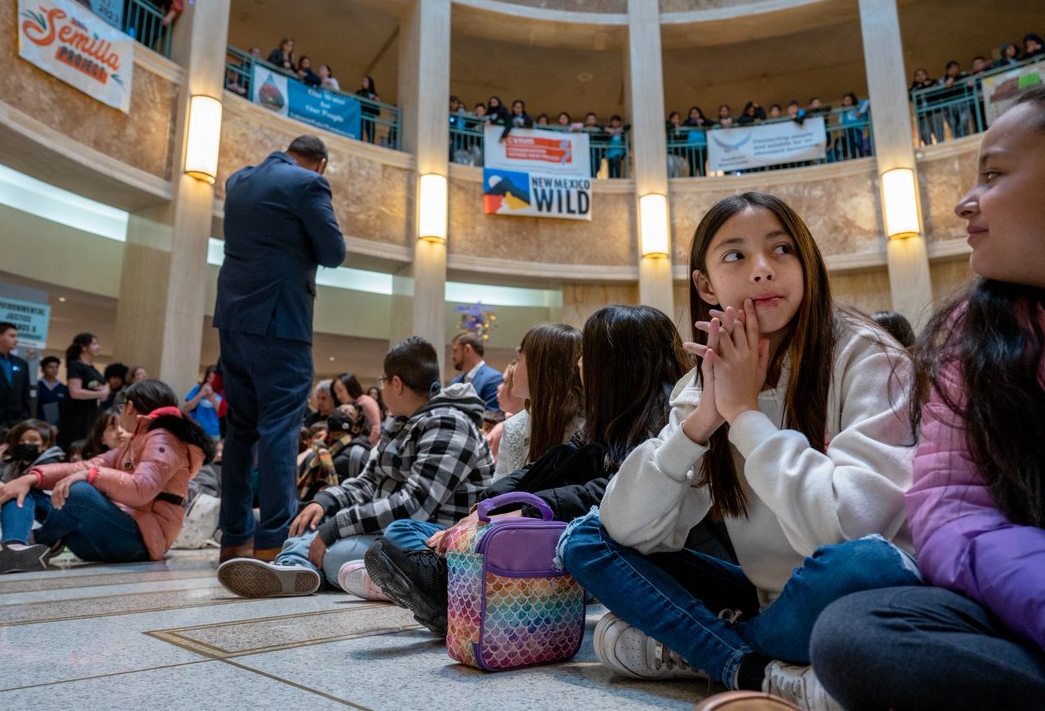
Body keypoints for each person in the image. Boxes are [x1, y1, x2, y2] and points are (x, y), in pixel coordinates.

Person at [561, 192, 918, 710]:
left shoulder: (868, 356)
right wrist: (704, 421)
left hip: (856, 597)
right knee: (587, 538)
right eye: (735, 256)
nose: (762, 270)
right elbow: (629, 529)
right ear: (705, 284)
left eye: (782, 250)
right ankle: (759, 669)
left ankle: (706, 648)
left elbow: (851, 528)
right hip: (767, 601)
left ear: (807, 263)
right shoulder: (706, 381)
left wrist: (746, 415)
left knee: (862, 564)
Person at [810, 74, 1045, 710]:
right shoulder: (981, 331)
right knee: (860, 629)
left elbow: (856, 510)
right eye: (733, 259)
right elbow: (949, 507)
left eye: (993, 175)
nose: (967, 202)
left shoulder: (864, 355)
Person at [358, 304, 700, 628]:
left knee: (573, 543)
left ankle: (456, 590)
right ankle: (455, 584)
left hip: (613, 555)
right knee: (410, 531)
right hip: (537, 536)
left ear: (615, 366)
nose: (579, 363)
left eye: (589, 355)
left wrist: (517, 514)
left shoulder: (666, 422)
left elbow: (604, 497)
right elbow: (541, 470)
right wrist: (487, 510)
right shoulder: (603, 423)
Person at [215, 336, 494, 597]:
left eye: (383, 381)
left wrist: (337, 526)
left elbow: (414, 506)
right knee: (305, 531)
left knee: (333, 550)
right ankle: (296, 568)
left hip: (430, 540)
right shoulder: (400, 422)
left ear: (396, 384)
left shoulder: (450, 423)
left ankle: (302, 567)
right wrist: (325, 502)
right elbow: (368, 481)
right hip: (391, 529)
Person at [214, 134, 345, 564]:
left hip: (233, 320)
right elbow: (333, 251)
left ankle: (234, 537)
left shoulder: (239, 181)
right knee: (280, 430)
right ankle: (274, 542)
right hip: (281, 322)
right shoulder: (308, 185)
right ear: (320, 164)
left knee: (240, 431)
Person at [0, 380, 213, 575]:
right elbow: (87, 464)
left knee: (79, 491)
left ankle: (42, 539)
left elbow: (141, 490)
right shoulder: (136, 440)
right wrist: (33, 477)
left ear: (130, 407)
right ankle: (15, 550)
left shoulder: (163, 438)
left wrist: (90, 476)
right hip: (109, 534)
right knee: (22, 488)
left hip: (140, 542)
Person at [493, 322, 584, 480]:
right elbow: (497, 494)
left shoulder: (587, 427)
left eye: (518, 358)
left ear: (541, 368)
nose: (513, 368)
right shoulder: (514, 427)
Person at [58, 333, 108, 448]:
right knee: (75, 443)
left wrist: (104, 390)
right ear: (84, 347)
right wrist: (100, 393)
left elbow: (104, 388)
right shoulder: (75, 365)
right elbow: (75, 392)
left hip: (90, 411)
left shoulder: (91, 368)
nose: (98, 347)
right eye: (94, 344)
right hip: (76, 413)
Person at [447, 333, 503, 412]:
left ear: (467, 349)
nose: (452, 356)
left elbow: (491, 419)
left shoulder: (494, 379)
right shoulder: (454, 382)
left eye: (455, 350)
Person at [331, 372, 381, 441]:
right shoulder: (348, 405)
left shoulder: (366, 402)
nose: (338, 396)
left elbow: (375, 429)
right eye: (336, 393)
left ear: (350, 386)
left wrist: (362, 445)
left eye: (340, 391)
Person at [183, 365, 222, 442]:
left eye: (214, 378)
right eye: (209, 377)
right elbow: (186, 408)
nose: (211, 381)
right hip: (199, 431)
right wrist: (200, 394)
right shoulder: (198, 389)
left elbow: (223, 413)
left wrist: (213, 399)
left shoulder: (222, 392)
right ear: (206, 378)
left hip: (216, 433)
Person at [36, 355, 66, 428]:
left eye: (56, 367)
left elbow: (64, 409)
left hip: (58, 427)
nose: (54, 370)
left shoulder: (63, 388)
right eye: (50, 367)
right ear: (43, 369)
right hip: (38, 424)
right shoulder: (37, 386)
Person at [356, 76, 380, 144]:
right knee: (359, 134)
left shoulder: (374, 95)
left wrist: (377, 101)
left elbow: (377, 110)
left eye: (365, 81)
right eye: (362, 81)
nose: (363, 83)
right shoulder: (359, 92)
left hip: (370, 117)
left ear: (370, 83)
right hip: (361, 116)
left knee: (371, 136)